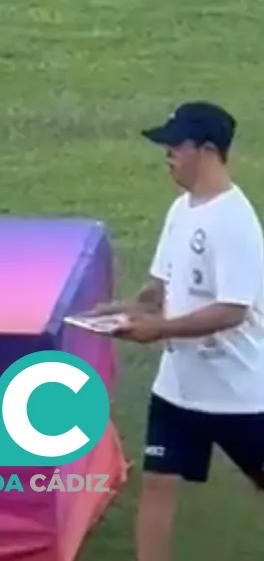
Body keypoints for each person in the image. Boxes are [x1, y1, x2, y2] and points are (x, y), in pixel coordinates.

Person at [90, 102, 264, 560]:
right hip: (178, 390)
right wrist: (118, 311)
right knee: (158, 484)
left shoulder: (235, 223)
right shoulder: (181, 210)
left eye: (176, 145)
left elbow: (232, 310)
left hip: (239, 394)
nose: (167, 154)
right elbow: (160, 289)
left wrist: (160, 329)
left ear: (208, 150)